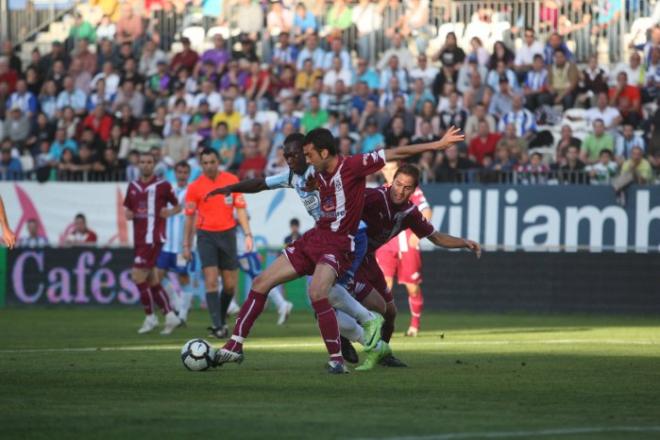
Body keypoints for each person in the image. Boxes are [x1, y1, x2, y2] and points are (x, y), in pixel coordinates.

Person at [212, 127, 464, 373]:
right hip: (315, 236)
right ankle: (235, 345)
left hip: (342, 241)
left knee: (321, 293)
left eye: (307, 154)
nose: (303, 160)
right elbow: (262, 184)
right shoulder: (310, 174)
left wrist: (436, 145)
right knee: (261, 282)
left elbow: (395, 152)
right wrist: (231, 188)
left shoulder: (353, 166)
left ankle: (346, 349)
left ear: (322, 153)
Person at [205, 133, 383, 353]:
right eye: (285, 155)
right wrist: (232, 188)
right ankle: (369, 342)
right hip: (324, 237)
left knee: (327, 296)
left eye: (294, 154)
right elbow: (261, 183)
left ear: (308, 153)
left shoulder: (318, 170)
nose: (289, 159)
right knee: (323, 298)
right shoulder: (291, 177)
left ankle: (364, 333)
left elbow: (334, 171)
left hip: (351, 236)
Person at [353, 163, 481, 368]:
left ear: (414, 190)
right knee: (369, 305)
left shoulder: (410, 212)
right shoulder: (374, 196)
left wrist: (463, 242)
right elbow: (347, 203)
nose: (400, 191)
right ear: (391, 182)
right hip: (352, 257)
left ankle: (383, 353)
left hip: (368, 258)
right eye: (398, 184)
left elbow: (436, 237)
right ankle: (343, 340)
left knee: (391, 312)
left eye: (407, 187)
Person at [183, 148, 254, 339]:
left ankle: (221, 319)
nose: (209, 166)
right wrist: (186, 245)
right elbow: (189, 219)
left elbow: (240, 208)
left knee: (230, 285)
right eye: (205, 163)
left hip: (228, 234)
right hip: (206, 236)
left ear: (218, 162)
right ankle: (217, 325)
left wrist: (248, 234)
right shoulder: (195, 187)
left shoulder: (231, 180)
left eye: (212, 162)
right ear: (201, 164)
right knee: (212, 280)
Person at [124, 152, 182, 335]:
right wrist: (128, 214)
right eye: (142, 162)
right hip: (139, 238)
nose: (145, 165)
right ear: (138, 164)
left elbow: (178, 205)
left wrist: (170, 212)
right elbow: (129, 209)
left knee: (137, 276)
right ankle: (171, 316)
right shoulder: (132, 186)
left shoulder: (163, 185)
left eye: (149, 162)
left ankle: (151, 317)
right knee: (152, 280)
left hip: (154, 238)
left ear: (154, 165)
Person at [374, 161, 431, 338]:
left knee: (412, 287)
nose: (389, 172)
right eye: (386, 169)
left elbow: (426, 210)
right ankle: (382, 325)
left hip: (407, 245)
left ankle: (414, 324)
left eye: (392, 169)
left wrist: (418, 234)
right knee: (384, 286)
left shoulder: (410, 189)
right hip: (385, 245)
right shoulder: (381, 191)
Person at [154, 161, 195, 323]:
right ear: (175, 174)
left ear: (189, 174)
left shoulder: (192, 192)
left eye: (185, 172)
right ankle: (177, 305)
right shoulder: (168, 191)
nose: (182, 175)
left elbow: (193, 218)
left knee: (184, 277)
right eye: (180, 172)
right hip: (166, 245)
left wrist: (189, 244)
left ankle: (183, 315)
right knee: (157, 276)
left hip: (181, 245)